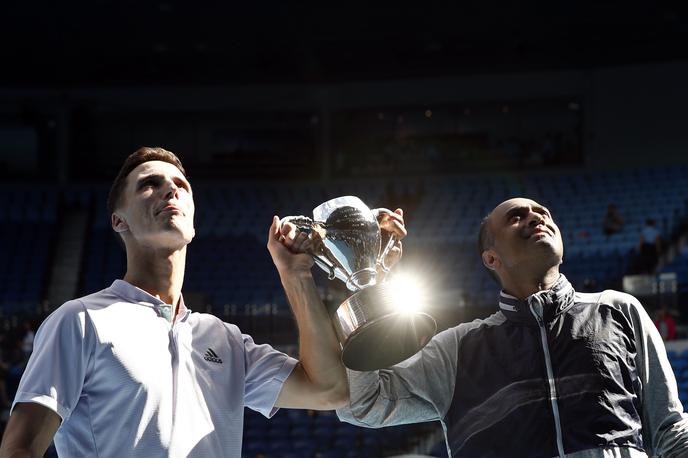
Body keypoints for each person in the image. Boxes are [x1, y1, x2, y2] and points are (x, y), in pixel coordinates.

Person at [0, 147, 407, 457]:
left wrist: (296, 275)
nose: (169, 190)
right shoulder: (80, 321)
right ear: (118, 221)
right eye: (149, 184)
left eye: (180, 185)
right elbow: (19, 448)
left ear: (193, 221)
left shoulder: (224, 339)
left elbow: (330, 390)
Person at [337, 197, 688, 458]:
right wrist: (367, 281)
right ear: (492, 258)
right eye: (516, 217)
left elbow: (670, 432)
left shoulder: (618, 310)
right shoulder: (457, 349)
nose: (536, 216)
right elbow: (363, 404)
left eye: (543, 213)